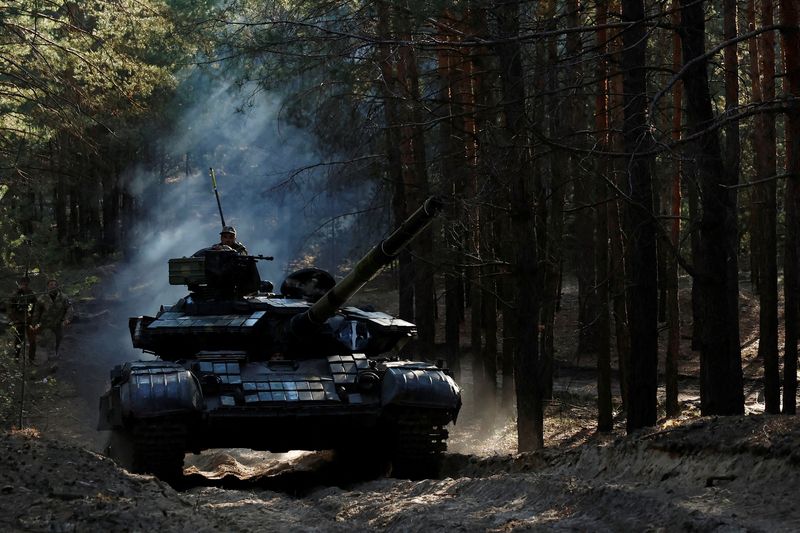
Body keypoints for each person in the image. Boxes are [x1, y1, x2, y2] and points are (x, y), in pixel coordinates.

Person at [33, 279, 73, 360]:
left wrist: (67, 319)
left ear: (57, 286)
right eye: (51, 284)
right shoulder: (42, 298)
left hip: (59, 323)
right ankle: (51, 357)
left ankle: (55, 353)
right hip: (46, 324)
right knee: (50, 338)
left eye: (54, 284)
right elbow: (36, 312)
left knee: (59, 338)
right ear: (48, 286)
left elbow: (69, 308)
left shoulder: (63, 297)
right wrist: (35, 324)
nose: (53, 286)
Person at [8, 276, 37, 363]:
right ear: (20, 283)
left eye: (26, 283)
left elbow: (35, 307)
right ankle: (16, 358)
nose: (25, 285)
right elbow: (10, 307)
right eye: (23, 283)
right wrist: (14, 319)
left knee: (32, 340)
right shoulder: (15, 294)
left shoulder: (31, 293)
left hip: (29, 320)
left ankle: (31, 359)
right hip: (19, 320)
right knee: (18, 340)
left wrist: (34, 318)